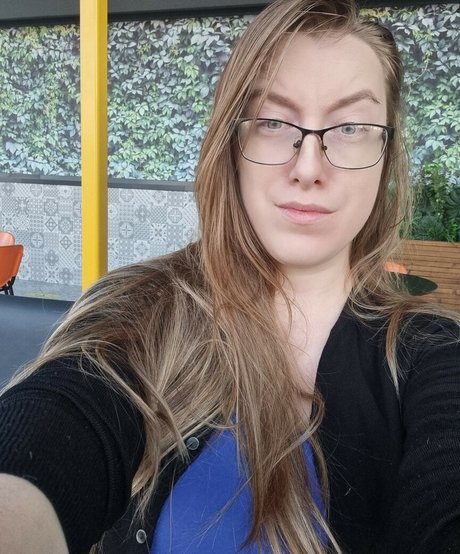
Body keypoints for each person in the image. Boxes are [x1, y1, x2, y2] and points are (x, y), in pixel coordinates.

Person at [0, 0, 459, 552]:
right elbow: (55, 424)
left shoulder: (433, 354)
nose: (308, 168)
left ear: (386, 154)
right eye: (272, 121)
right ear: (232, 143)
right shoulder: (142, 312)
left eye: (350, 127)